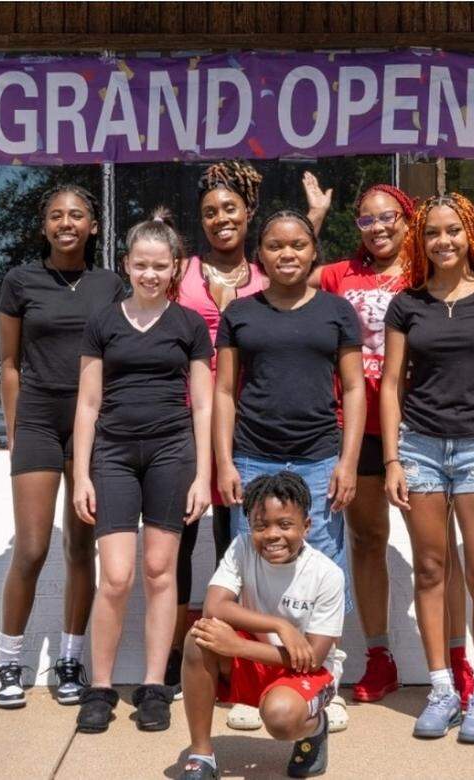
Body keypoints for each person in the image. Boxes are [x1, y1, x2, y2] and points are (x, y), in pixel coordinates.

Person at [306, 177, 474, 706]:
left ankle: (454, 657)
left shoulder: (428, 271)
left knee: (438, 552)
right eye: (365, 220)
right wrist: (313, 219)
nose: (377, 227)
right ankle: (378, 657)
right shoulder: (340, 275)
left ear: (408, 221)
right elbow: (282, 278)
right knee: (369, 540)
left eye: (388, 217)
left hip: (421, 427)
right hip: (357, 430)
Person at [168, 162, 330, 702]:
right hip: (189, 417)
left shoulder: (267, 275)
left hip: (245, 423)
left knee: (234, 540)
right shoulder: (180, 272)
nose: (220, 219)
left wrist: (315, 219)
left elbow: (300, 269)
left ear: (249, 214)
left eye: (231, 208)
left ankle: (239, 668)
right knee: (181, 542)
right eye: (210, 211)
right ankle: (181, 658)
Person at [381, 193, 474, 744]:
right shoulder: (407, 305)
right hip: (419, 447)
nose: (443, 241)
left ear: (472, 235)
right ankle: (442, 689)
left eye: (453, 231)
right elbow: (392, 384)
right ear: (420, 242)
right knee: (429, 570)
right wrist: (393, 456)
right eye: (432, 233)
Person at [213, 209, 365, 730]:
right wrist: (225, 461)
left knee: (325, 570)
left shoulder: (337, 312)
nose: (287, 254)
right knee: (254, 576)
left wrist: (347, 462)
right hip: (253, 455)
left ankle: (326, 682)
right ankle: (251, 689)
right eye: (276, 246)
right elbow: (225, 391)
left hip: (320, 458)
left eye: (298, 245)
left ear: (313, 251)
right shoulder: (240, 313)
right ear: (261, 255)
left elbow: (353, 388)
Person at [70, 208, 214, 733]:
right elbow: (87, 404)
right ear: (126, 265)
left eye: (160, 265)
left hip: (172, 454)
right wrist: (82, 474)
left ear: (175, 267)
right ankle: (101, 687)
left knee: (160, 573)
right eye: (141, 265)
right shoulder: (103, 322)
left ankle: (154, 686)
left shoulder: (190, 325)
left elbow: (203, 404)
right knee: (115, 577)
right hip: (113, 455)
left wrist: (202, 474)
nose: (150, 274)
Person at [0, 184, 125, 709]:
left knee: (78, 546)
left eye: (76, 215)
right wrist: (13, 431)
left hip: (91, 424)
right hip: (39, 421)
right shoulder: (20, 281)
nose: (65, 223)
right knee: (31, 547)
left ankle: (71, 658)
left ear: (93, 226)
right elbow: (8, 364)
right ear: (44, 226)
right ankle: (9, 662)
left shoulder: (110, 284)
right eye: (55, 216)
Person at [177, 472, 345, 780]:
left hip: (306, 673)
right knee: (200, 637)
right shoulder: (242, 548)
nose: (271, 535)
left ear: (305, 527)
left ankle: (315, 728)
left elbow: (315, 658)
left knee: (281, 718)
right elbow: (216, 605)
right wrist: (280, 625)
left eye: (285, 525)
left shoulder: (327, 574)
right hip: (258, 658)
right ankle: (202, 753)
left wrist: (238, 646)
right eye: (260, 525)